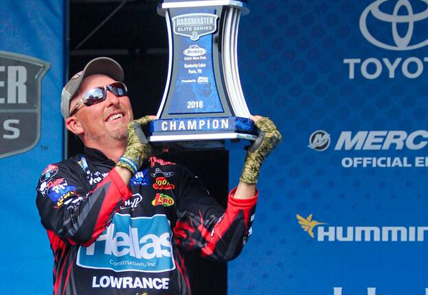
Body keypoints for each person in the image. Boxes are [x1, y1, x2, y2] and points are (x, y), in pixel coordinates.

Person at [35, 57, 281, 295]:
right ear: (75, 124)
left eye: (117, 89)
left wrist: (251, 167)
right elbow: (80, 227)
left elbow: (224, 244)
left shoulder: (171, 176)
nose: (112, 99)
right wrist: (130, 160)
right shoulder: (60, 175)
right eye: (95, 96)